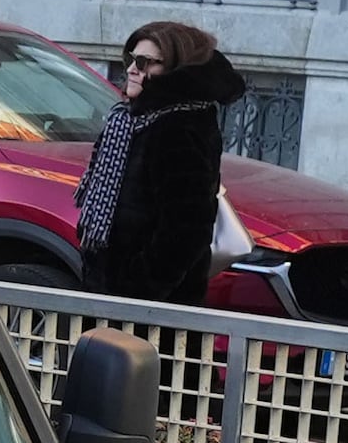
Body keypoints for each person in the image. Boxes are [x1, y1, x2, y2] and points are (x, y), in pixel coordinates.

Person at [72, 17, 249, 307]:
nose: (131, 69)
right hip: (113, 295)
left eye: (144, 62)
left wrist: (137, 289)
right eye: (131, 59)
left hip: (151, 310)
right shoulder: (130, 119)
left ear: (174, 71)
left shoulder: (179, 127)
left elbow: (185, 231)